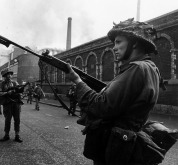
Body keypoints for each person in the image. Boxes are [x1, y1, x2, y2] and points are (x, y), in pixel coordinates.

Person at [65, 18, 166, 164]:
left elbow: (102, 106)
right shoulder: (149, 67)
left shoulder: (137, 68)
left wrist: (77, 81)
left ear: (135, 43)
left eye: (119, 42)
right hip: (123, 147)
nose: (114, 47)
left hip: (117, 150)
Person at [0, 68, 24, 143]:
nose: (9, 76)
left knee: (17, 120)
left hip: (16, 103)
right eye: (7, 75)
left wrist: (20, 91)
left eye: (10, 74)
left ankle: (17, 135)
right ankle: (6, 135)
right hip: (7, 104)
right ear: (4, 76)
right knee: (7, 120)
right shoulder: (1, 84)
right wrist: (7, 92)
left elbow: (19, 92)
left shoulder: (15, 83)